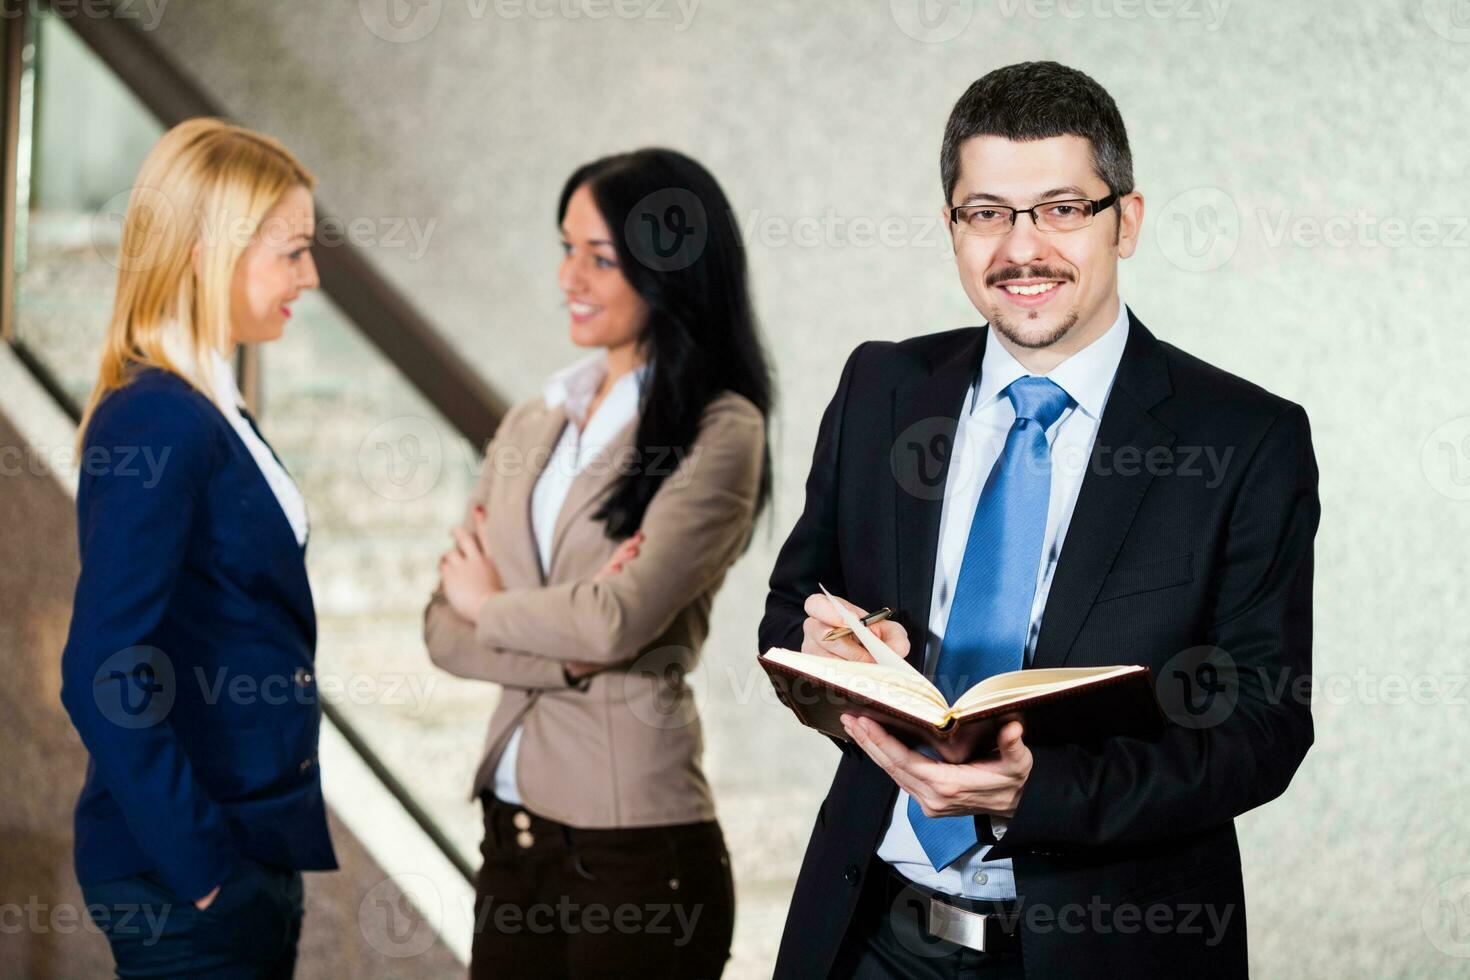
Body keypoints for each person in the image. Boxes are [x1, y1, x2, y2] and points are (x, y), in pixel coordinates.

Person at [760, 61, 1318, 978]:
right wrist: (831, 661)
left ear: (1125, 221)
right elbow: (791, 609)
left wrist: (1037, 791)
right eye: (987, 213)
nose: (1023, 249)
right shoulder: (883, 388)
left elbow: (1263, 727)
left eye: (1062, 208)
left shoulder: (1245, 439)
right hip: (872, 936)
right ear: (952, 226)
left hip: (1110, 952)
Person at [424, 147, 773, 979]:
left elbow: (613, 622)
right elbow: (442, 628)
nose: (569, 277)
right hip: (510, 837)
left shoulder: (721, 431)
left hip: (635, 853)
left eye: (601, 257)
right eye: (565, 247)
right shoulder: (535, 420)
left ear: (669, 268)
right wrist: (562, 637)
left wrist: (495, 606)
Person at [59, 118, 335, 977]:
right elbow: (103, 668)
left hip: (243, 845)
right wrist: (204, 867)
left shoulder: (210, 402)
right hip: (187, 876)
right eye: (291, 251)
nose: (311, 274)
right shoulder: (157, 416)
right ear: (211, 251)